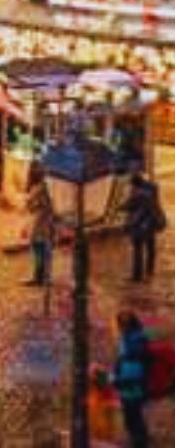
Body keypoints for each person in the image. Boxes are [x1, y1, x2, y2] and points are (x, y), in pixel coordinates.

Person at [113, 310, 153, 448]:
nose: (124, 323)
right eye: (122, 320)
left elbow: (143, 357)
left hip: (135, 379)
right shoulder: (124, 337)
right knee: (129, 417)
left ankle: (140, 443)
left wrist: (142, 379)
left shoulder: (140, 336)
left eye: (127, 320)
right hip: (125, 379)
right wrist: (116, 375)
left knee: (134, 414)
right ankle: (137, 441)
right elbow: (120, 359)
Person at [123, 172, 166, 282]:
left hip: (139, 225)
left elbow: (130, 207)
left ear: (135, 184)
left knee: (138, 250)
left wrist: (129, 221)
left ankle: (137, 275)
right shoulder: (152, 189)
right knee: (150, 247)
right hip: (150, 224)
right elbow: (155, 206)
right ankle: (149, 271)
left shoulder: (137, 194)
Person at [24, 173, 55, 287]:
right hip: (49, 225)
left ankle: (38, 277)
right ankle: (44, 277)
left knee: (38, 251)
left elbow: (29, 205)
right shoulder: (53, 189)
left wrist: (32, 204)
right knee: (45, 252)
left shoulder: (37, 189)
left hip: (40, 224)